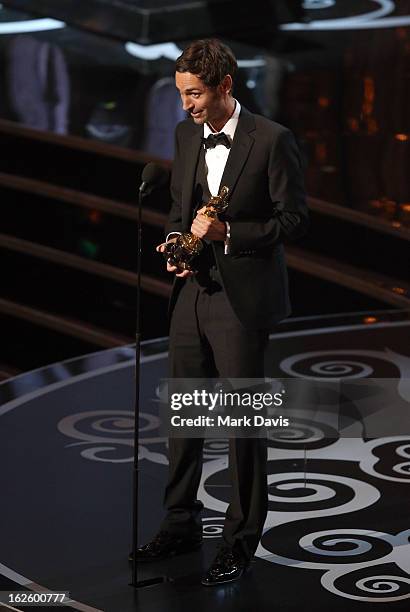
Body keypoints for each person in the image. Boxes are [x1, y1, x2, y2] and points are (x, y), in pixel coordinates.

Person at [136, 38, 308, 586]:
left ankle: (239, 542)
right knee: (186, 414)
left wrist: (231, 233)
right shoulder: (187, 134)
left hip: (242, 297)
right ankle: (181, 522)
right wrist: (175, 244)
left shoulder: (272, 140)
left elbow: (294, 219)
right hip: (193, 292)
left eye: (195, 94)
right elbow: (178, 207)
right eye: (182, 93)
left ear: (225, 86)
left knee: (241, 423)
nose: (186, 105)